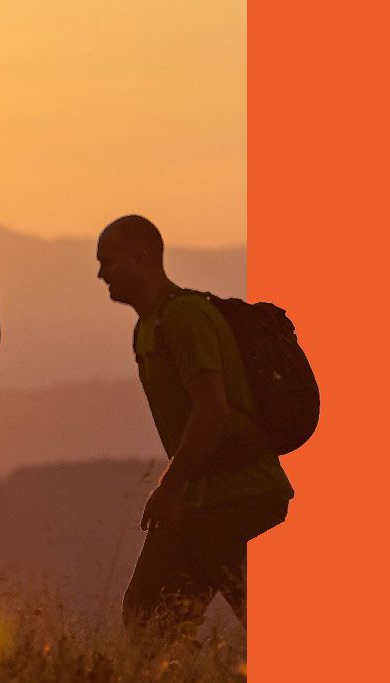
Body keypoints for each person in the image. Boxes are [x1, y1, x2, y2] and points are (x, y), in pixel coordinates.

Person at [96, 213, 291, 634]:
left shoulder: (183, 318)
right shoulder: (147, 328)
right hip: (200, 499)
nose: (100, 274)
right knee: (147, 617)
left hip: (239, 494)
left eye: (109, 262)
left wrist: (168, 489)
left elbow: (212, 411)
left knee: (155, 619)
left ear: (141, 257)